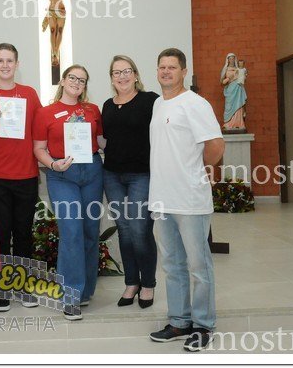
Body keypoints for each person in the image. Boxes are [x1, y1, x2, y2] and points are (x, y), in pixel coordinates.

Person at [148, 48, 224, 351]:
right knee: (172, 264)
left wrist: (198, 169)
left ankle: (203, 325)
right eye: (162, 67)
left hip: (190, 199)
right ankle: (179, 321)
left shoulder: (196, 103)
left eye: (172, 67)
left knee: (198, 266)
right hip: (162, 199)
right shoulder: (158, 104)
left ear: (183, 71)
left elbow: (215, 144)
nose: (166, 71)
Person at [32, 65, 105, 321]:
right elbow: (38, 148)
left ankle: (85, 290)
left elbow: (102, 141)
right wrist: (53, 164)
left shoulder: (92, 110)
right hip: (62, 174)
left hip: (92, 171)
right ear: (63, 81)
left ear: (85, 85)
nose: (77, 82)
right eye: (72, 77)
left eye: (82, 80)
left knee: (90, 231)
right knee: (71, 231)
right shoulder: (45, 112)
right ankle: (71, 296)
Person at [0, 43, 43, 312]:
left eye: (9, 60)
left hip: (26, 174)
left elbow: (40, 132)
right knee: (1, 234)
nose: (5, 65)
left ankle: (23, 286)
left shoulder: (30, 94)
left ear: (17, 64)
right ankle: (4, 288)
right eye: (0, 61)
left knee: (23, 233)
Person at [101, 55, 159, 309]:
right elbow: (105, 140)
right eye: (117, 72)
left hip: (141, 175)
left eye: (126, 71)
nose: (122, 76)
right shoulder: (107, 105)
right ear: (111, 78)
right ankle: (131, 282)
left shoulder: (150, 100)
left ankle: (148, 284)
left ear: (135, 75)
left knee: (139, 229)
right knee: (123, 229)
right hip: (112, 174)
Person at [6, 0, 103, 68]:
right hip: (51, 10)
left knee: (60, 30)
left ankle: (56, 52)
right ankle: (54, 54)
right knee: (52, 31)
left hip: (61, 10)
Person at [220, 52, 248, 131]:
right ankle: (228, 124)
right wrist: (229, 79)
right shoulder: (225, 69)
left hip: (238, 89)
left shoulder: (238, 69)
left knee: (238, 105)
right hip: (230, 90)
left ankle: (239, 124)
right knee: (229, 106)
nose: (232, 60)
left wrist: (244, 76)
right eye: (230, 59)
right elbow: (222, 82)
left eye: (233, 59)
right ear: (228, 60)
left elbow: (243, 78)